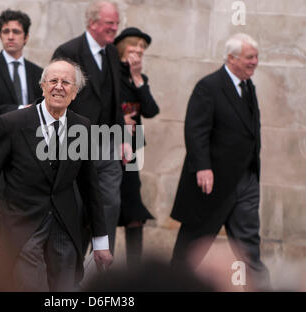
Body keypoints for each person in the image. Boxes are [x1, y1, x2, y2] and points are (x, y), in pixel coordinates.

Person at [0, 59, 113, 292]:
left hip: (65, 228)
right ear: (43, 86)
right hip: (22, 226)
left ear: (75, 93)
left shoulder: (82, 127)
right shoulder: (11, 124)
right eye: (53, 80)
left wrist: (100, 242)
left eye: (66, 82)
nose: (59, 86)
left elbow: (90, 187)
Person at [170, 33, 271, 291]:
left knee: (249, 248)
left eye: (256, 57)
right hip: (212, 182)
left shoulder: (249, 87)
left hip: (246, 180)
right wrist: (203, 166)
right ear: (231, 58)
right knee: (191, 246)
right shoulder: (209, 86)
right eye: (250, 57)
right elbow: (196, 130)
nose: (255, 62)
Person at [52, 0, 130, 254]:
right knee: (75, 205)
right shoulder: (69, 51)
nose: (115, 28)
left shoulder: (112, 53)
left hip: (108, 142)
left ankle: (101, 264)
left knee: (110, 203)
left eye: (117, 23)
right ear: (93, 23)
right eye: (110, 23)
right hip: (75, 142)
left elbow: (117, 101)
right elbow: (55, 98)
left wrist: (126, 139)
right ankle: (68, 264)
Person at [0, 9, 43, 252]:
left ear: (26, 37)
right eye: (6, 31)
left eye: (16, 32)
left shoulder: (37, 72)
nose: (10, 36)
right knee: (0, 204)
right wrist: (19, 108)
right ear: (0, 35)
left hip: (31, 151)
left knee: (13, 207)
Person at [114, 27, 159, 269]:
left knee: (134, 212)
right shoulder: (109, 73)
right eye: (135, 45)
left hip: (132, 150)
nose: (139, 51)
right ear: (123, 46)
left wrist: (139, 78)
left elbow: (151, 110)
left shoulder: (139, 77)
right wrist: (121, 120)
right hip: (107, 145)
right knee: (104, 208)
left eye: (143, 47)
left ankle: (134, 270)